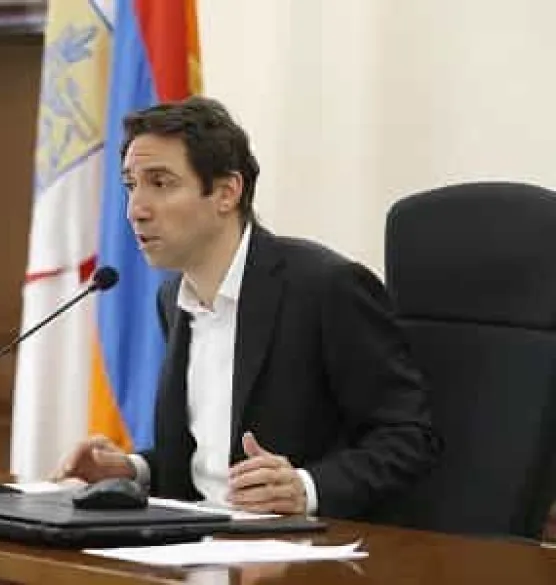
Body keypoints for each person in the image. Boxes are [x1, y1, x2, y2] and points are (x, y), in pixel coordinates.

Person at [52, 96, 441, 519]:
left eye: (160, 183)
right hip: (194, 537)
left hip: (303, 544)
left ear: (226, 192)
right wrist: (132, 469)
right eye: (131, 185)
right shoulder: (172, 300)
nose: (135, 210)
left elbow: (409, 438)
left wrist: (307, 488)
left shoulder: (325, 287)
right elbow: (209, 457)